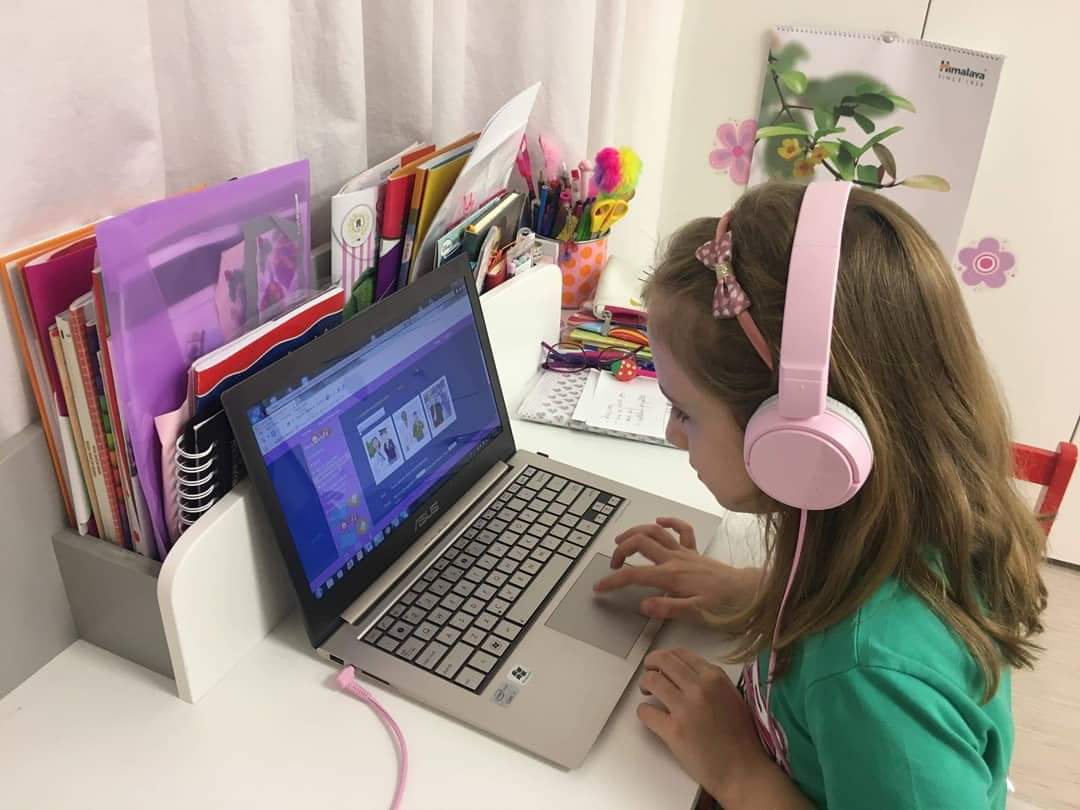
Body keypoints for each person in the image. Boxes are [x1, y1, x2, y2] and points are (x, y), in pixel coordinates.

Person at [594, 182, 1046, 809]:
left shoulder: (872, 676)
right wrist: (752, 592)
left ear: (798, 439)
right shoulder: (875, 530)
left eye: (685, 412)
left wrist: (735, 770)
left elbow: (876, 658)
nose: (673, 435)